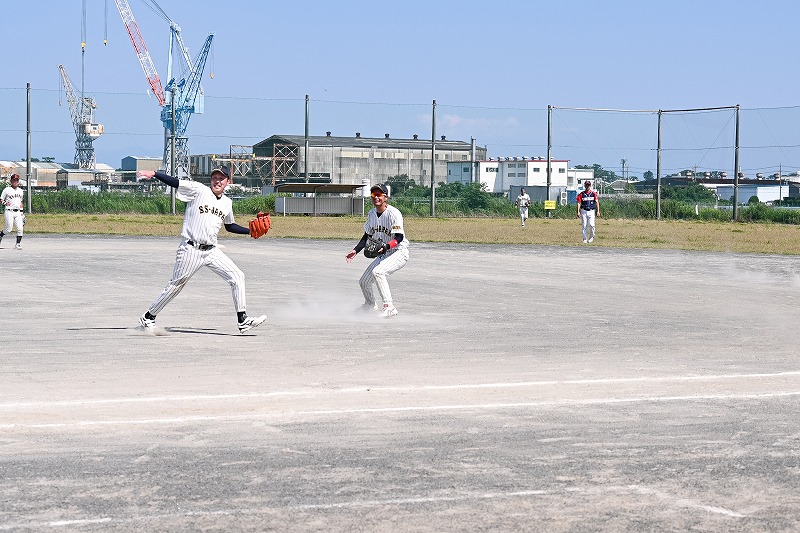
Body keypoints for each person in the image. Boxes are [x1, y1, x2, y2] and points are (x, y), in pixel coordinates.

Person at [136, 165, 267, 333]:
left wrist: (250, 231)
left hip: (212, 251)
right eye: (215, 177)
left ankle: (243, 320)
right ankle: (148, 317)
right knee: (176, 285)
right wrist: (155, 174)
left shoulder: (227, 203)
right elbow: (176, 182)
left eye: (221, 178)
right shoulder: (198, 190)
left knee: (237, 276)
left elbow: (230, 226)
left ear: (228, 181)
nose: (217, 181)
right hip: (191, 249)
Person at [345, 183, 409, 318]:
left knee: (378, 272)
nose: (376, 197)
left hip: (399, 252)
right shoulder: (371, 214)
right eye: (374, 194)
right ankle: (370, 305)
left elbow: (399, 237)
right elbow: (367, 235)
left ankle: (389, 307)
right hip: (385, 253)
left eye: (379, 194)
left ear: (386, 197)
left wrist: (386, 247)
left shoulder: (393, 214)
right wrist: (356, 251)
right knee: (364, 281)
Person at [1, 174, 25, 250]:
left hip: (18, 212)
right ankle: (1, 234)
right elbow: (1, 199)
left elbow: (21, 202)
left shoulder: (20, 191)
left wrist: (22, 213)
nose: (15, 181)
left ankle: (18, 244)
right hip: (9, 211)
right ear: (11, 181)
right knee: (9, 229)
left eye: (17, 180)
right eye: (14, 180)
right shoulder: (7, 189)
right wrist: (5, 203)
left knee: (20, 228)